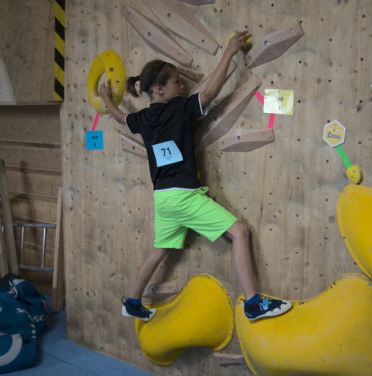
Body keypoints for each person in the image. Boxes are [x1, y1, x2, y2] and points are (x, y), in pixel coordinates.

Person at [100, 31, 291, 322]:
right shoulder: (178, 108)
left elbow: (119, 117)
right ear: (160, 88)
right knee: (240, 231)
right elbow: (211, 93)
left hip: (163, 198)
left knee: (159, 250)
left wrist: (104, 98)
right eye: (178, 82)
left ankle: (133, 301)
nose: (184, 85)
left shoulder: (143, 119)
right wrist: (229, 52)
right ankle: (253, 304)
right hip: (182, 196)